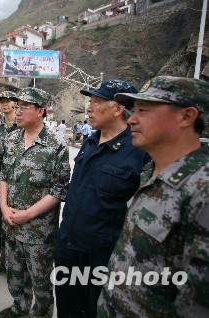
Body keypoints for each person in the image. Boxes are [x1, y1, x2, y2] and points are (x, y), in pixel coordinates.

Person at [97, 76, 209, 317]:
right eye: (133, 110)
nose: (133, 119)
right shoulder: (153, 172)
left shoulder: (201, 190)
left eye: (143, 110)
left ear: (186, 117)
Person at [54, 79, 151, 318]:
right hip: (69, 245)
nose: (89, 107)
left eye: (96, 102)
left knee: (99, 310)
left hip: (103, 255)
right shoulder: (90, 141)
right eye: (90, 102)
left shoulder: (140, 152)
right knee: (68, 309)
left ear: (118, 108)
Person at [0, 87, 71, 318]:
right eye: (16, 107)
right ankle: (19, 307)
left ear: (40, 111)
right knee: (15, 273)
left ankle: (40, 314)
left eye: (23, 107)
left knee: (41, 280)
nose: (17, 112)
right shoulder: (11, 140)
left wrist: (28, 214)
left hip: (39, 231)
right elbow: (4, 176)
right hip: (11, 224)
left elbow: (59, 190)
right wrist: (3, 207)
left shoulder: (56, 146)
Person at [0, 91, 20, 275]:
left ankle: (15, 264)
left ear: (15, 103)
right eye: (2, 102)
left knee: (14, 223)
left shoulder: (22, 125)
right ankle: (4, 261)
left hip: (15, 182)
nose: (5, 104)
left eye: (8, 101)